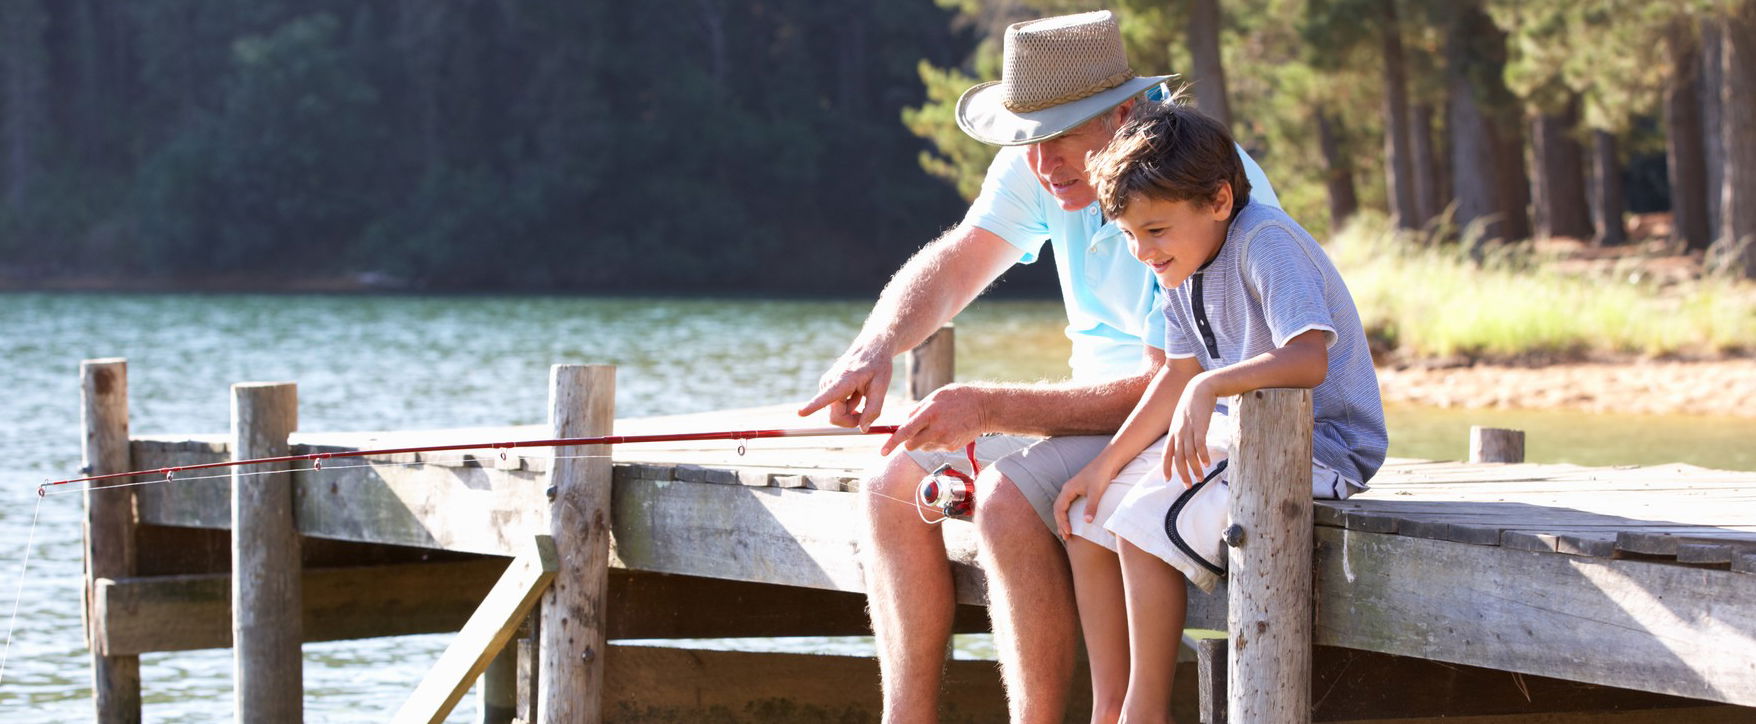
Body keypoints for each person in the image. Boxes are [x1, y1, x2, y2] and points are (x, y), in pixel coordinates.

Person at [797, 10, 1281, 723]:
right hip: (1103, 411)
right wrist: (873, 349)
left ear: (1122, 116)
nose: (1040, 164)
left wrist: (991, 408)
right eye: (1028, 141)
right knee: (891, 488)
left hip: (1190, 426)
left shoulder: (1191, 189)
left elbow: (1170, 382)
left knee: (1004, 499)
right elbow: (960, 260)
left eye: (1059, 139)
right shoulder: (1042, 163)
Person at [1050, 100, 1387, 722]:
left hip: (1324, 449)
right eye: (1128, 236)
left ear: (1220, 201)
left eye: (1155, 231)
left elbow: (1308, 359)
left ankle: (1143, 711)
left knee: (1140, 524)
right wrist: (1104, 466)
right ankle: (1111, 708)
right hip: (1250, 442)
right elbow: (1177, 374)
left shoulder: (1266, 241)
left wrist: (1210, 389)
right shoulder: (1182, 267)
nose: (1143, 251)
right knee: (1091, 512)